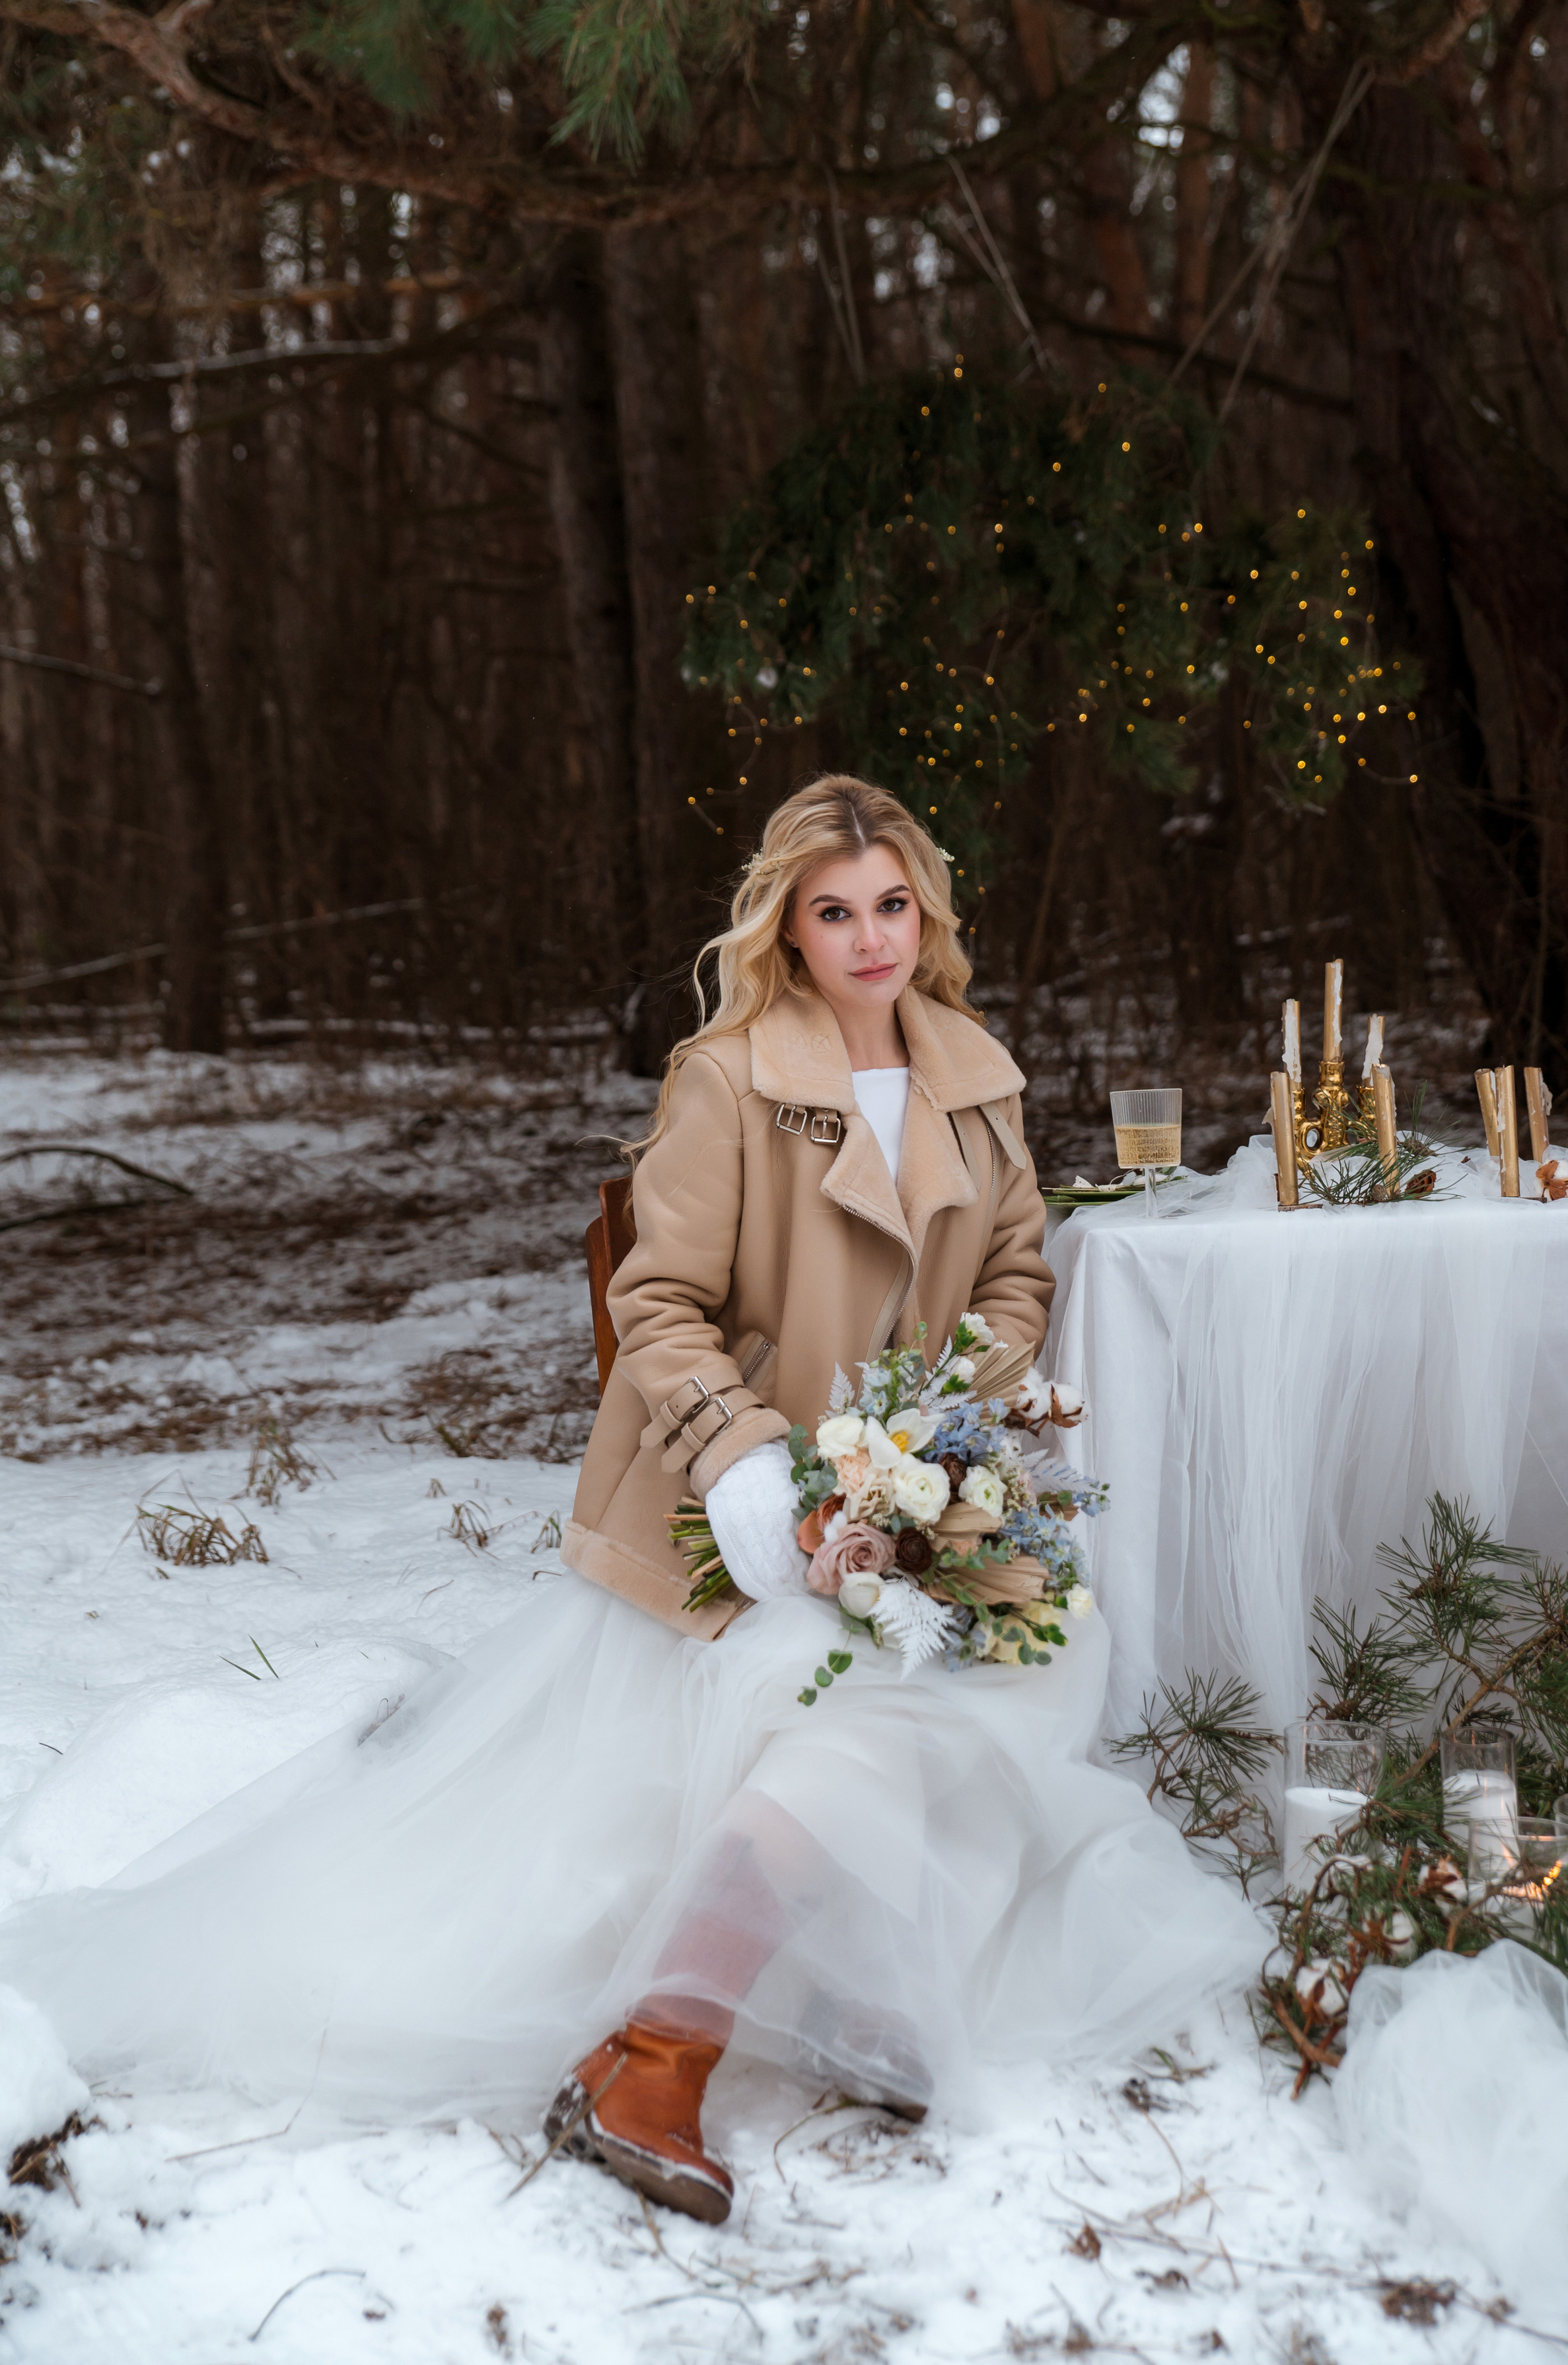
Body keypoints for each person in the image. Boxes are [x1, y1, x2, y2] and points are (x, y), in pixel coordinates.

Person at [0, 775, 1258, 2226]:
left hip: (914, 1492)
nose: (871, 940)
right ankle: (659, 2051)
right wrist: (750, 1466)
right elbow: (655, 1303)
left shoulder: (979, 1076)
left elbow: (1017, 1275)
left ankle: (850, 1991)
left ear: (927, 915)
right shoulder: (728, 1077)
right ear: (787, 929)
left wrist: (938, 1442)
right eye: (835, 912)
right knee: (847, 1697)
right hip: (730, 1512)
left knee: (1032, 1646)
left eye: (893, 907)